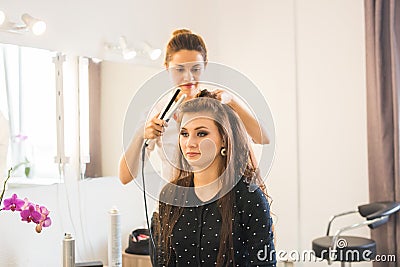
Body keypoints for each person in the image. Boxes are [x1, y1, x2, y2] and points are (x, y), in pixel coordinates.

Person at [119, 29, 270, 185]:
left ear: (204, 66)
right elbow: (125, 177)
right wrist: (140, 135)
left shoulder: (217, 107)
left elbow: (263, 138)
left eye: (195, 69)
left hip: (216, 205)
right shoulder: (156, 114)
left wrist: (232, 102)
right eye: (180, 69)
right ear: (166, 67)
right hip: (172, 205)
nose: (188, 77)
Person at [151, 97, 276, 266]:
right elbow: (162, 261)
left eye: (201, 133)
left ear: (223, 139)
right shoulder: (170, 194)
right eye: (184, 133)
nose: (190, 143)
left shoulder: (249, 198)